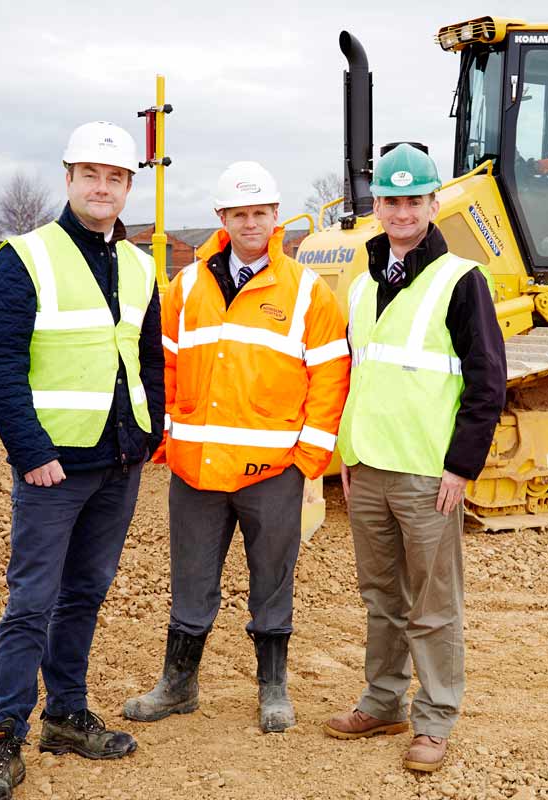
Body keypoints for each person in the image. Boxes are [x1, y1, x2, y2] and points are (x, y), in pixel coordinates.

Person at [0, 120, 163, 800]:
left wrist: (149, 432)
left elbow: (145, 355)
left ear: (128, 187)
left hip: (118, 461)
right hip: (52, 468)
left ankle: (67, 714)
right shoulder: (27, 256)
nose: (103, 187)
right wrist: (31, 451)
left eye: (115, 177)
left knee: (85, 593)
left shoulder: (139, 264)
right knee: (31, 601)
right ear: (70, 178)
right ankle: (3, 739)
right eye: (91, 175)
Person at [123, 161, 349, 733]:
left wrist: (308, 458)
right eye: (239, 214)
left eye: (261, 213)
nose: (251, 224)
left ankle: (273, 688)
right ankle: (179, 684)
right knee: (191, 577)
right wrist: (166, 437)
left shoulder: (306, 291)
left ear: (276, 217)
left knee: (273, 578)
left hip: (272, 470)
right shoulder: (187, 286)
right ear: (222, 218)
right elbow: (164, 364)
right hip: (196, 470)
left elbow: (330, 376)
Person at [323, 143, 507, 772]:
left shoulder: (461, 280)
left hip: (428, 473)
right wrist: (346, 451)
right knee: (381, 596)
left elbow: (488, 383)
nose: (401, 211)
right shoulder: (362, 283)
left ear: (433, 204)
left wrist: (461, 466)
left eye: (413, 200)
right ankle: (382, 701)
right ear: (377, 205)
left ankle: (434, 720)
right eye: (391, 200)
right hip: (368, 466)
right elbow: (359, 373)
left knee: (432, 604)